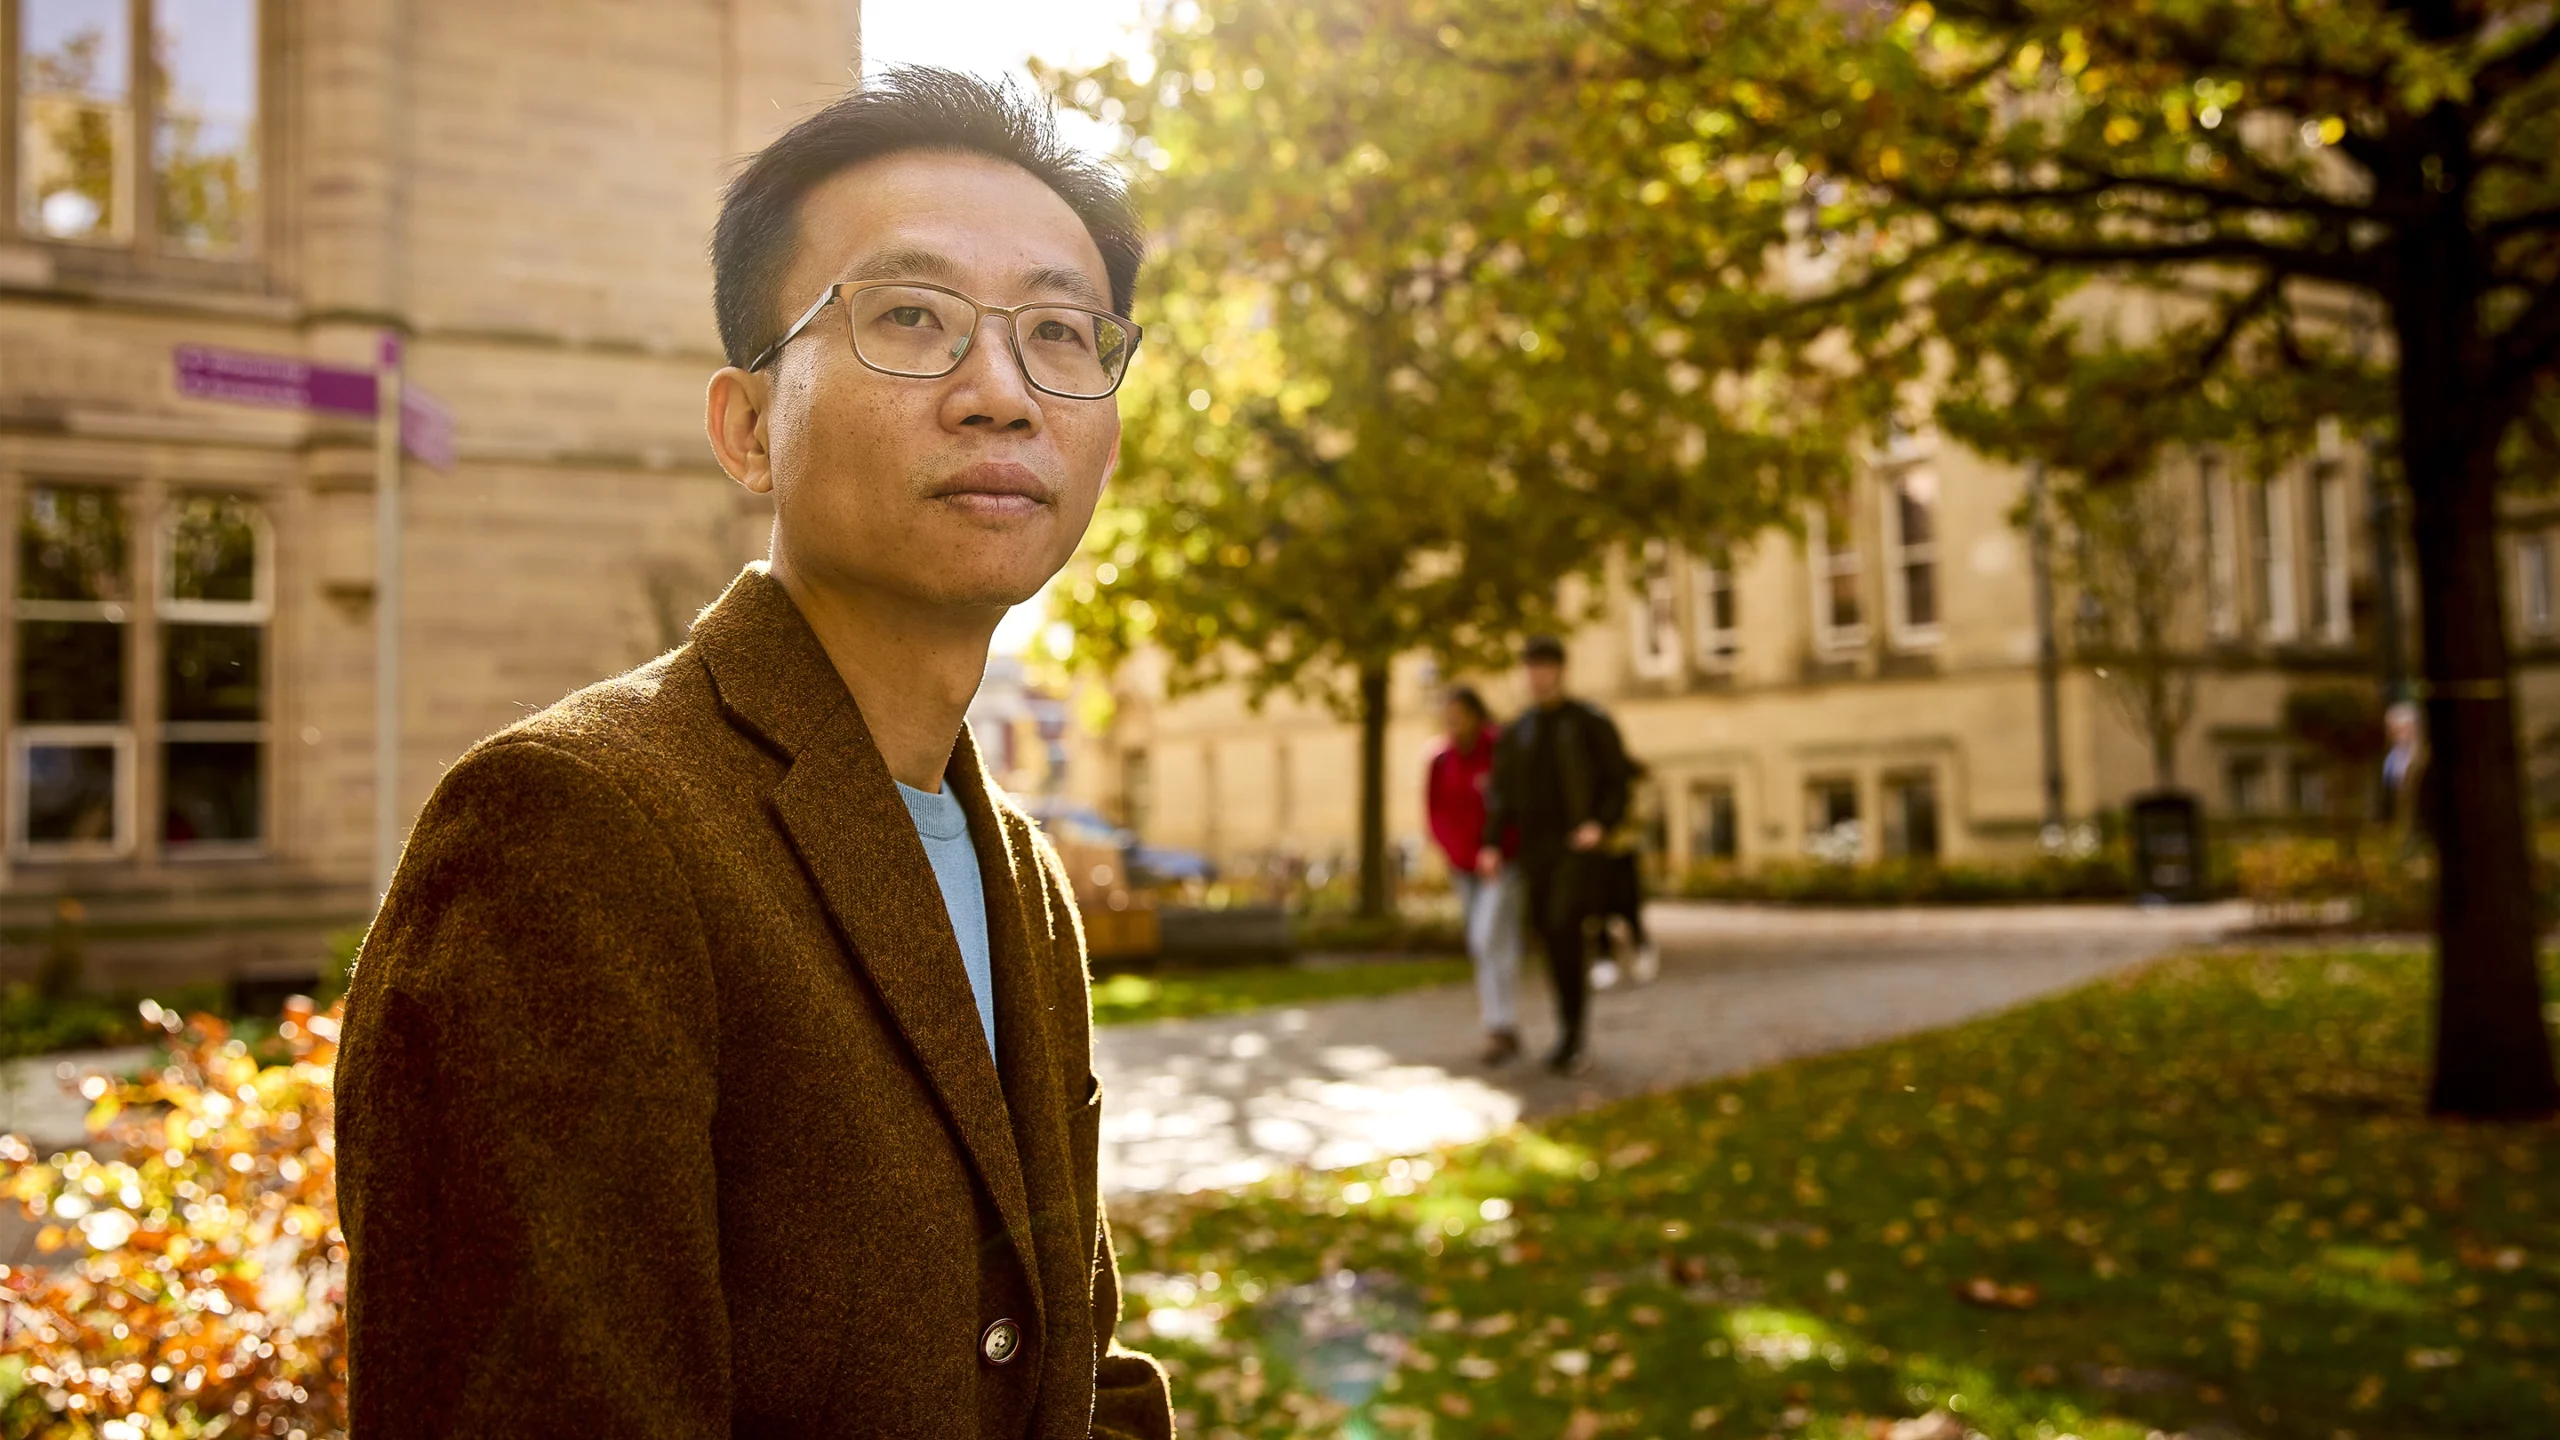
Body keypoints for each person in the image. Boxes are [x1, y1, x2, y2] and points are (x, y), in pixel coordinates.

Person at [334, 70, 1171, 1439]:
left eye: (1064, 334)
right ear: (746, 429)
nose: (1003, 393)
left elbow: (1071, 1368)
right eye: (913, 318)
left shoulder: (1020, 869)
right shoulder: (575, 829)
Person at [1479, 635, 1633, 1074]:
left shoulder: (1586, 722)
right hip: (1535, 851)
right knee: (1548, 935)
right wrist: (1491, 843)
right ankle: (1567, 1032)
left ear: (1560, 670)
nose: (1538, 675)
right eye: (1531, 667)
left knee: (1566, 927)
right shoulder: (1519, 730)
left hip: (1575, 849)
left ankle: (1573, 1033)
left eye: (1545, 666)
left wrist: (1600, 824)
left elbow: (1617, 779)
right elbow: (1502, 794)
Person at [1427, 686, 1523, 1064]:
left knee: (1489, 940)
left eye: (1459, 712)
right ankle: (1502, 1025)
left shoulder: (1499, 749)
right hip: (1463, 867)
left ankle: (1499, 1021)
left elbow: (1511, 804)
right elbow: (1436, 811)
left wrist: (1495, 847)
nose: (1453, 721)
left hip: (1500, 863)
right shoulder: (1441, 759)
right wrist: (1456, 853)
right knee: (1487, 944)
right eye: (1448, 714)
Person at [1586, 759, 1661, 990]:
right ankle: (1603, 955)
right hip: (1594, 853)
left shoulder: (1631, 778)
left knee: (1628, 904)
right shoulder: (1582, 775)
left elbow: (1647, 812)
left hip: (1623, 850)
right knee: (1596, 910)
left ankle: (1640, 943)